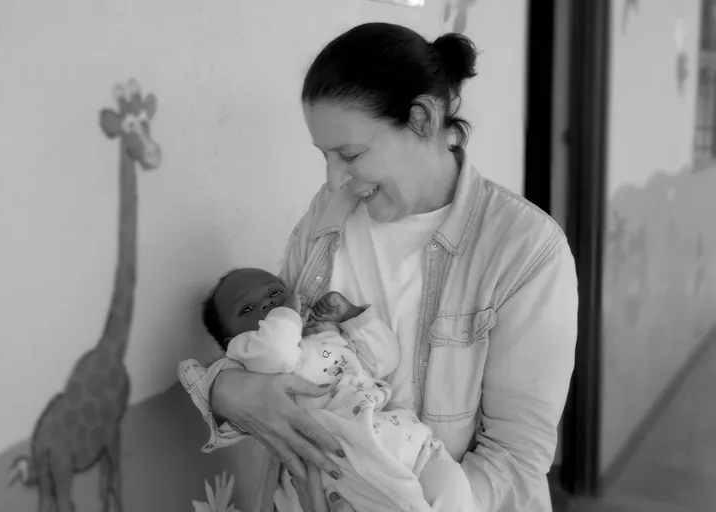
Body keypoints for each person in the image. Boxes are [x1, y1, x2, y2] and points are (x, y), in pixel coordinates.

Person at [176, 22, 578, 512]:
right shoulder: (325, 219)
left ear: (422, 118)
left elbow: (514, 460)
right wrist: (227, 387)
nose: (333, 178)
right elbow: (278, 346)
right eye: (325, 156)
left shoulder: (526, 250)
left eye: (350, 154)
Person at [201, 267, 478, 511]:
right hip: (349, 454)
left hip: (401, 436)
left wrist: (351, 316)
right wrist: (286, 312)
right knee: (402, 503)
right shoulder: (250, 352)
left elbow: (384, 360)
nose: (267, 304)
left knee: (453, 487)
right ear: (230, 340)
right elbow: (278, 353)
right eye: (247, 309)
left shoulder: (325, 331)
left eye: (275, 293)